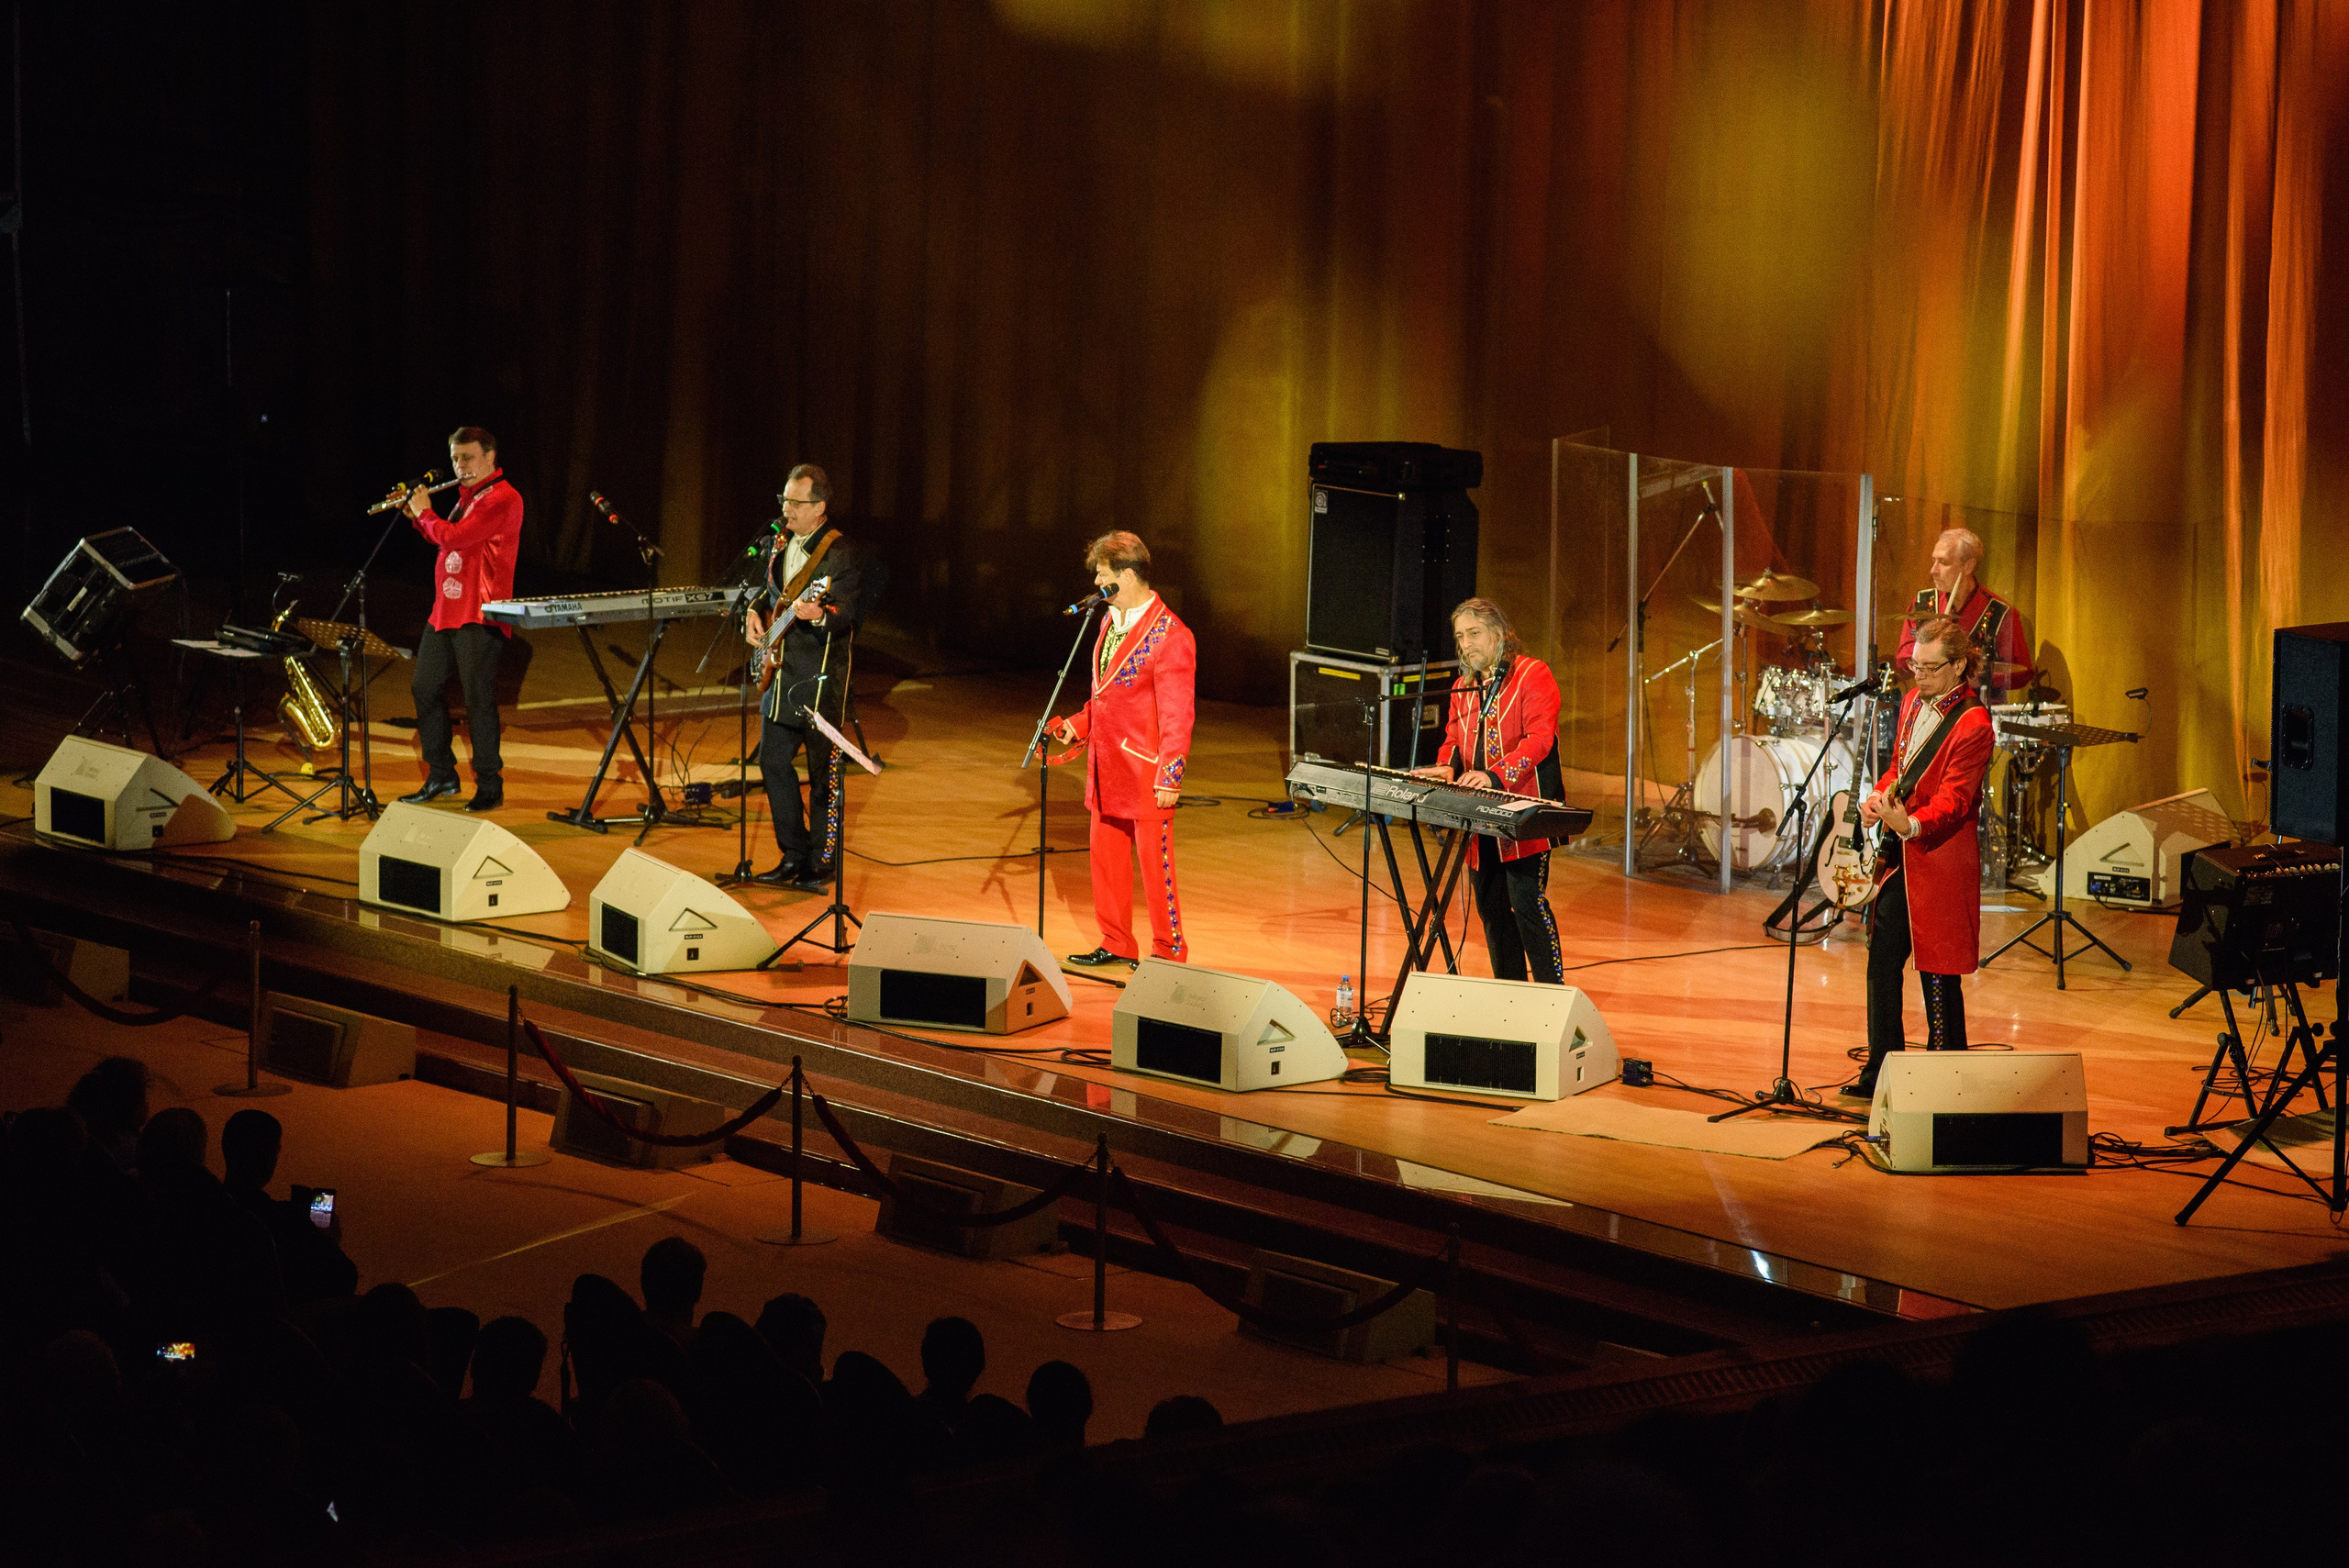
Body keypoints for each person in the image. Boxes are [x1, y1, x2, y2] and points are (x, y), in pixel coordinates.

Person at [1843, 616, 1996, 1099]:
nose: (1917, 675)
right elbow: (1897, 769)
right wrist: (1878, 800)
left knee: (1938, 971)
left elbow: (1954, 801)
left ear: (1957, 666)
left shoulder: (1975, 723)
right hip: (1901, 857)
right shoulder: (1911, 701)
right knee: (1881, 961)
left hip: (1939, 856)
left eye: (1928, 668)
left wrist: (1906, 824)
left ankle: (1946, 1077)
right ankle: (1879, 1072)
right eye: (1914, 665)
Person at [1047, 531, 1197, 972]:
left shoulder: (1172, 636)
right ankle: (1115, 942)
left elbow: (1177, 714)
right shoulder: (1109, 621)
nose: (1097, 583)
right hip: (1105, 766)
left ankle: (1169, 953)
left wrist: (1170, 775)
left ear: (1127, 576)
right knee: (1107, 863)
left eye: (1103, 575)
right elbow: (1108, 698)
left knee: (1156, 872)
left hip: (1146, 772)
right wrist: (1077, 725)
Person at [1415, 599, 1568, 984]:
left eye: (1474, 633)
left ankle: (1553, 992)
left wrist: (1494, 776)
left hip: (1526, 812)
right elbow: (1454, 737)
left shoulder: (1533, 674)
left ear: (1499, 633)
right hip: (1479, 813)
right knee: (1490, 908)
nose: (1466, 644)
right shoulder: (1464, 685)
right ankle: (1510, 992)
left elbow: (1539, 740)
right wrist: (1447, 765)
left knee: (1526, 903)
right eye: (1460, 637)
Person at [741, 463, 865, 889]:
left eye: (795, 502)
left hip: (820, 679)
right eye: (784, 500)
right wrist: (753, 612)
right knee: (772, 761)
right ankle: (793, 855)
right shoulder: (781, 541)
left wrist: (818, 614)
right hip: (779, 673)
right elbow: (770, 590)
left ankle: (821, 860)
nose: (786, 509)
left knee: (824, 777)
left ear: (819, 507)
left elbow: (846, 611)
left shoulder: (839, 552)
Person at [401, 426, 524, 811]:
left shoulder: (502, 498)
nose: (460, 466)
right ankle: (441, 773)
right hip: (446, 610)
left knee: (477, 699)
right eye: (455, 458)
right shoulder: (467, 497)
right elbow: (447, 537)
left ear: (490, 457)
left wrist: (426, 514)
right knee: (424, 688)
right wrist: (416, 516)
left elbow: (454, 538)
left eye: (467, 458)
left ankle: (490, 784)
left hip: (481, 612)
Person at [219, 1108, 359, 1307]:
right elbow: (343, 1278)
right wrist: (328, 1240)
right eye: (277, 1150)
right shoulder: (283, 1220)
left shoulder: (202, 1207)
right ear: (269, 1159)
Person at [1894, 527, 2032, 697]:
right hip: (1928, 704)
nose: (1933, 570)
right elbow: (1903, 656)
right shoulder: (1922, 604)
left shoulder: (2001, 613)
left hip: (1976, 707)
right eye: (1933, 561)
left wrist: (1979, 672)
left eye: (1943, 562)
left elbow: (2020, 672)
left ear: (1968, 566)